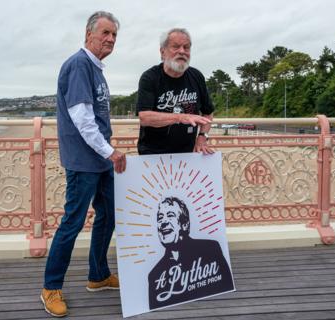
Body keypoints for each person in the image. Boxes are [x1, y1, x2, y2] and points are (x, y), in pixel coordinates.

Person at [41, 11, 126, 318]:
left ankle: (98, 275)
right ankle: (51, 287)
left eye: (114, 35)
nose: (110, 39)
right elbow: (82, 119)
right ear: (89, 34)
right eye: (105, 33)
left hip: (100, 160)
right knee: (72, 223)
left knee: (110, 213)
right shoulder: (79, 64)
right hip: (84, 161)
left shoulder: (96, 69)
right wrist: (111, 152)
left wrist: (107, 154)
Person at [136, 28, 215, 155]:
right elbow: (145, 117)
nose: (182, 51)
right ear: (162, 52)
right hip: (153, 154)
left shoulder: (196, 76)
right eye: (176, 47)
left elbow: (208, 112)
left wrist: (202, 137)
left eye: (186, 47)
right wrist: (181, 117)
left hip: (188, 154)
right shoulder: (150, 77)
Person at [148, 197, 234, 310]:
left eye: (170, 215)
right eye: (160, 218)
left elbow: (225, 287)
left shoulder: (210, 249)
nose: (163, 222)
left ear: (185, 224)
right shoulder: (154, 275)